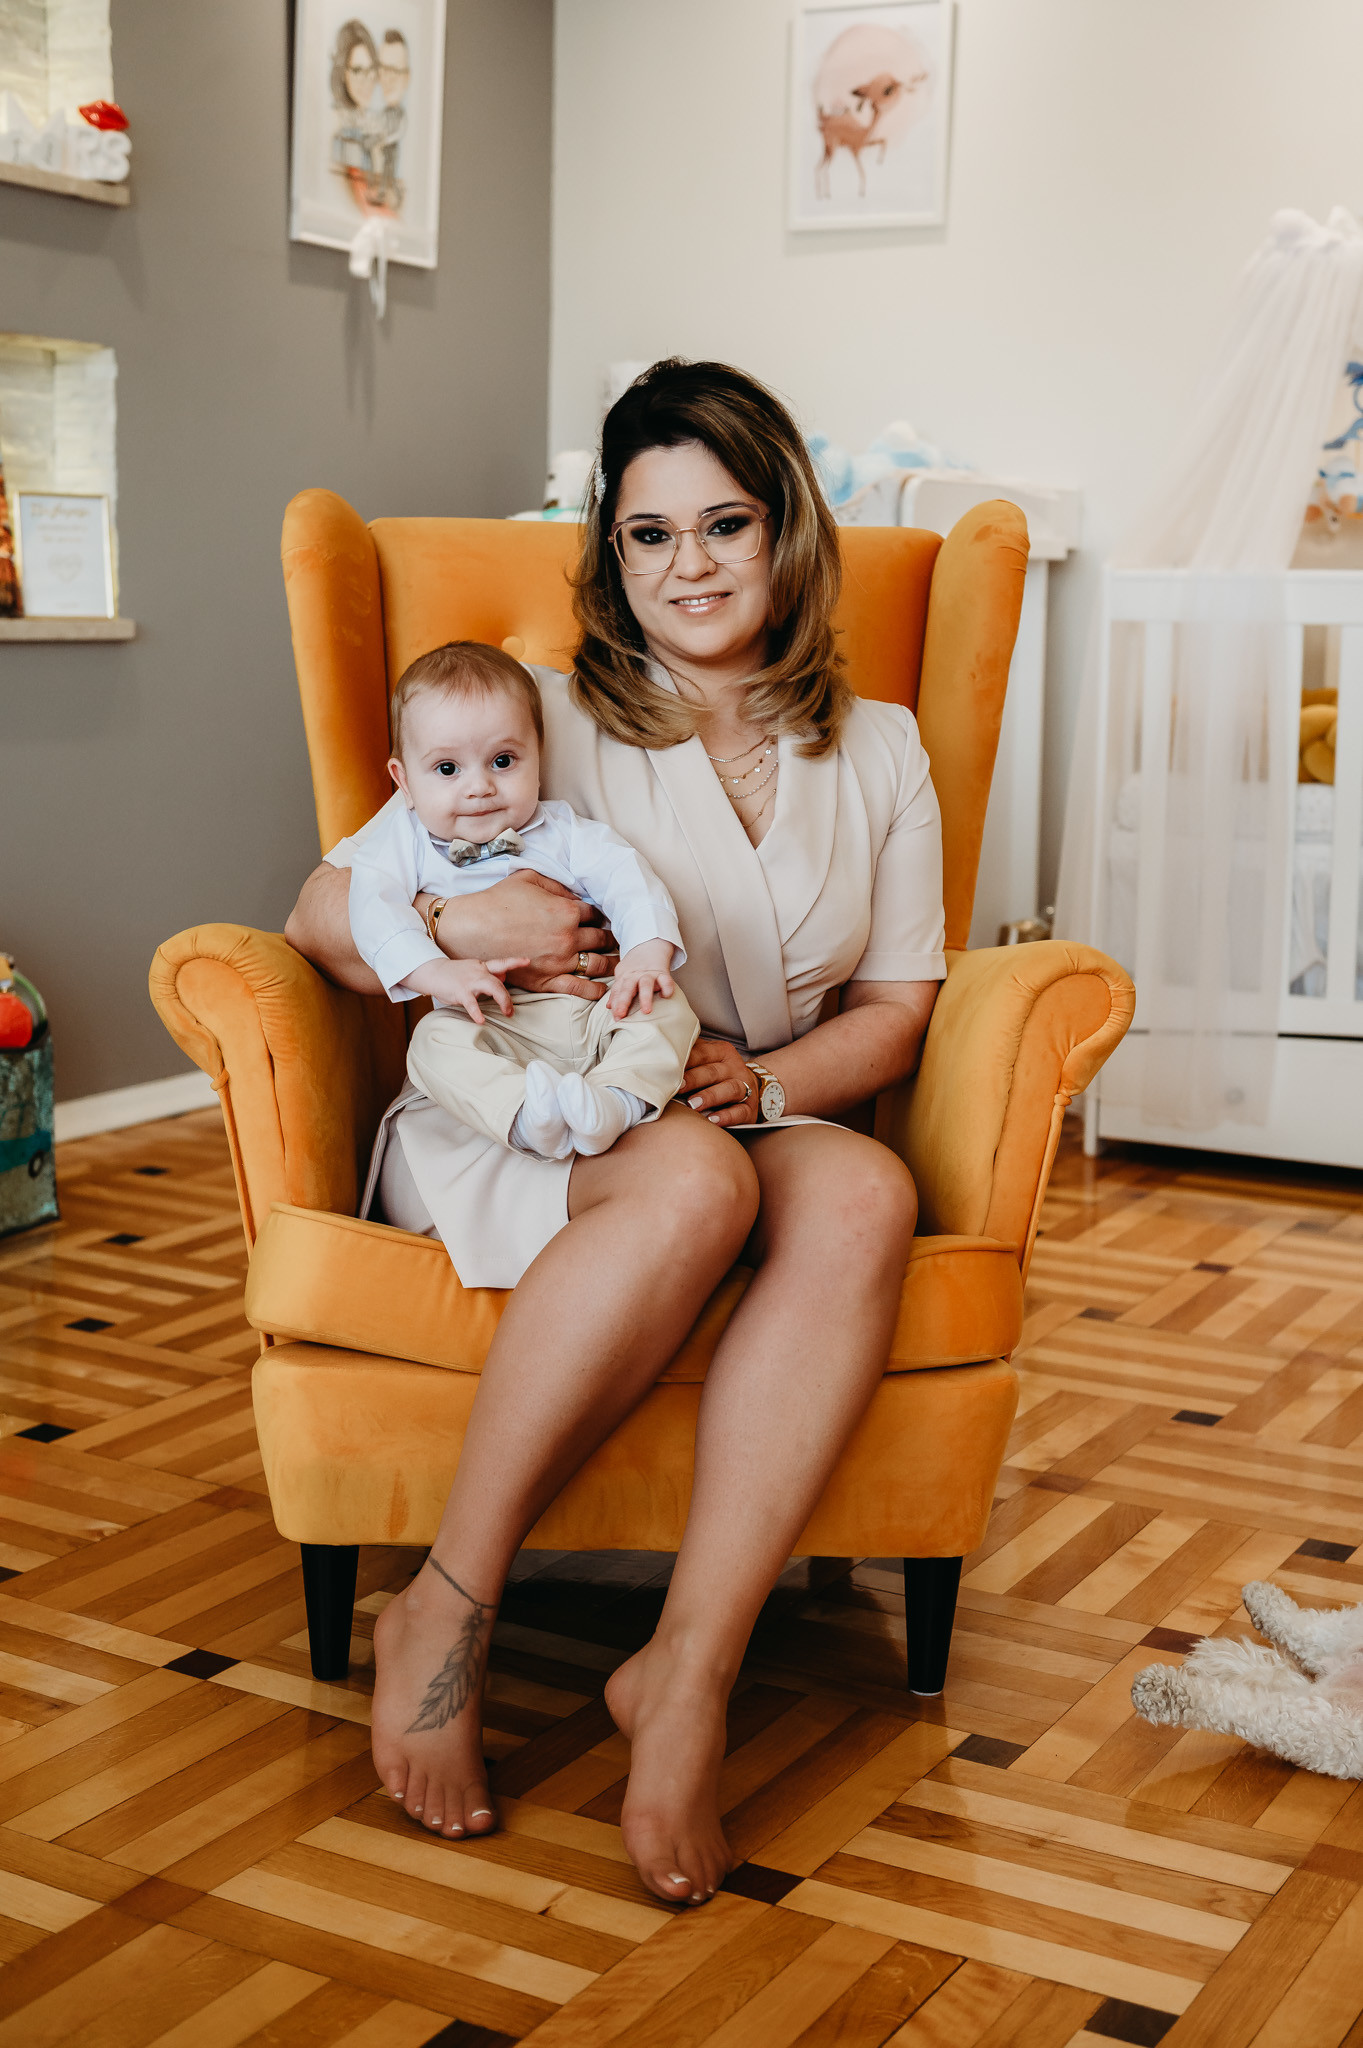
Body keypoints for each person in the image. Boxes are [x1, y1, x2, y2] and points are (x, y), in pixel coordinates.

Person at [285, 358, 946, 1907]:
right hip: (531, 1105)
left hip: (732, 1101)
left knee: (864, 1195)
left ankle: (685, 1673)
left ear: (785, 532)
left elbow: (898, 1006)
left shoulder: (884, 748)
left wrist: (768, 1085)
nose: (687, 565)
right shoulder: (546, 720)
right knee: (698, 1185)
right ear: (610, 552)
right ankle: (447, 1603)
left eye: (724, 523)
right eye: (648, 534)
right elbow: (322, 904)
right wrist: (463, 919)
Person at [327, 639, 698, 1213]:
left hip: (592, 1010)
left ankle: (615, 1102)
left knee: (667, 1009)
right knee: (432, 1044)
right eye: (447, 769)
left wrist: (647, 953)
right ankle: (526, 1117)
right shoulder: (403, 843)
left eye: (503, 761)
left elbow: (628, 878)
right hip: (493, 1019)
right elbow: (370, 905)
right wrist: (437, 972)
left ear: (537, 756)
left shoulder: (565, 831)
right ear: (403, 779)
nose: (479, 787)